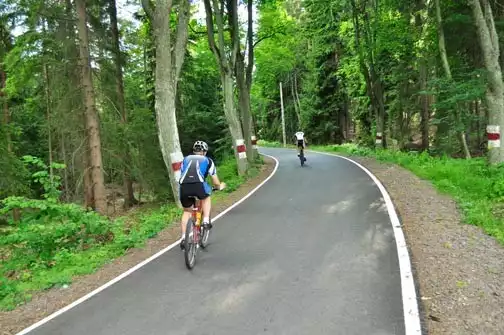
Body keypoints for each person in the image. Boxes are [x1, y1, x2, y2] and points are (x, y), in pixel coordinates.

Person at [178, 140, 226, 249]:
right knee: (206, 196)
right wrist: (219, 186)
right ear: (204, 152)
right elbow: (215, 181)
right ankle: (205, 221)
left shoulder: (185, 159)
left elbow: (182, 174)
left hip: (184, 186)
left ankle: (183, 238)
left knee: (187, 211)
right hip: (199, 185)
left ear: (194, 151)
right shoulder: (208, 161)